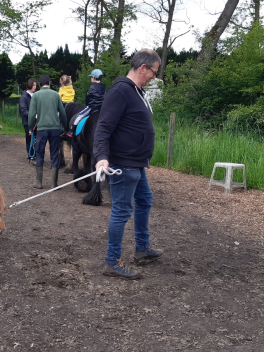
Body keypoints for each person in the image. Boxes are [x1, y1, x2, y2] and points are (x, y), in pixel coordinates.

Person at [93, 49, 164, 280]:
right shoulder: (121, 90)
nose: (154, 76)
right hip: (123, 164)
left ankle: (142, 248)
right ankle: (112, 261)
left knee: (145, 200)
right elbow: (103, 128)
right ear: (143, 67)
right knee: (122, 211)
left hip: (137, 163)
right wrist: (102, 157)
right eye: (154, 71)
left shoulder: (137, 91)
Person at [28, 75, 67, 189]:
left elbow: (31, 115)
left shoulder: (36, 95)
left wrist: (31, 128)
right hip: (55, 129)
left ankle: (39, 182)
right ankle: (54, 184)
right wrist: (65, 127)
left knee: (40, 154)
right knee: (55, 154)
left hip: (41, 129)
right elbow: (63, 113)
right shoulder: (56, 95)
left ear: (40, 84)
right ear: (49, 83)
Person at [67, 69, 106, 137]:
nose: (91, 78)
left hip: (92, 107)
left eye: (91, 77)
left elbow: (88, 98)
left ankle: (72, 131)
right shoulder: (104, 87)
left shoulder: (92, 87)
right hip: (102, 108)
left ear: (93, 78)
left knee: (79, 116)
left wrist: (88, 104)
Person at [20, 78, 37, 160]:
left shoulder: (36, 95)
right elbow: (24, 110)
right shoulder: (24, 97)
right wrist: (33, 115)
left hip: (37, 121)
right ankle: (30, 154)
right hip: (27, 121)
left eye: (36, 85)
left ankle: (36, 153)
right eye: (34, 85)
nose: (35, 87)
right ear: (30, 85)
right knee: (29, 137)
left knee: (38, 138)